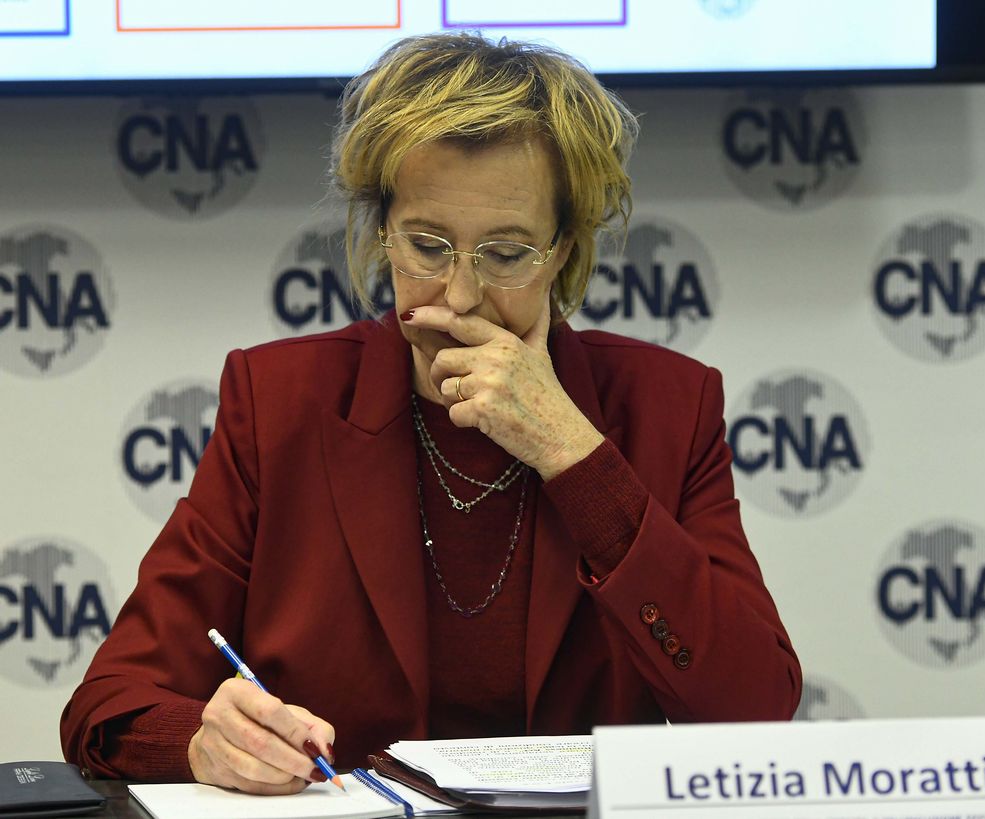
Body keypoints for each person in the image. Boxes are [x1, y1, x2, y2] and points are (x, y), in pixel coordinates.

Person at [61, 32, 800, 794]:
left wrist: (574, 455)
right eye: (427, 245)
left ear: (563, 249)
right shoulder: (279, 402)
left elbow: (756, 709)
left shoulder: (668, 407)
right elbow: (107, 704)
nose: (460, 295)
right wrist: (201, 741)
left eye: (506, 254)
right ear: (383, 233)